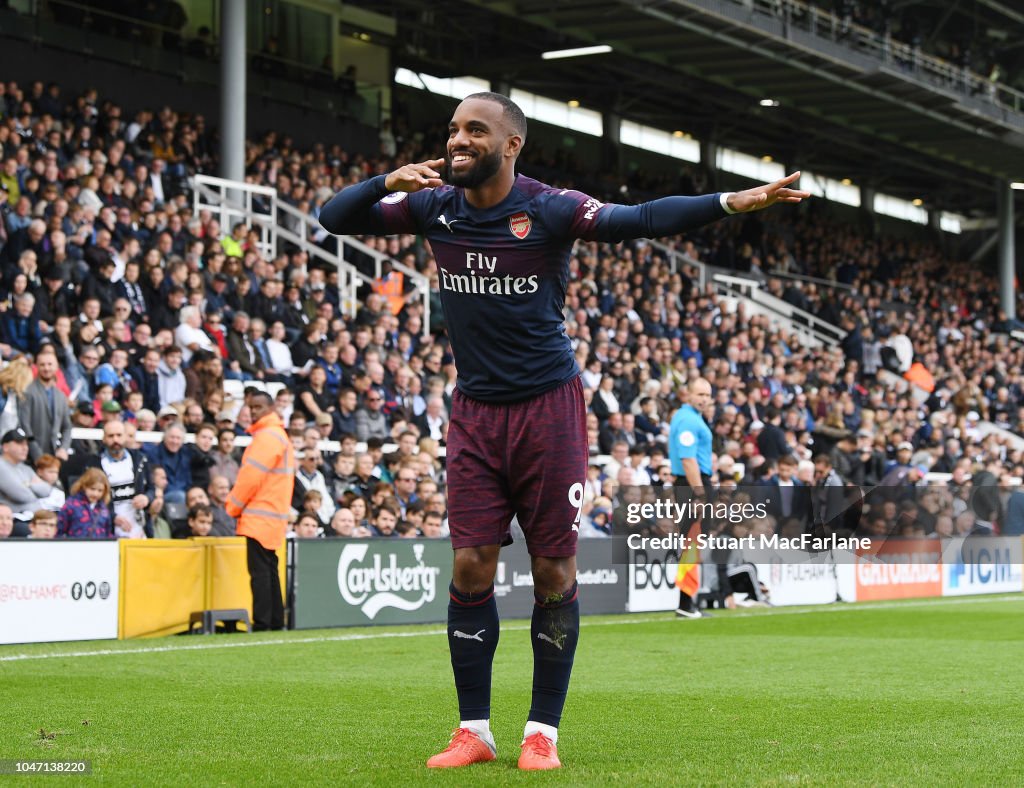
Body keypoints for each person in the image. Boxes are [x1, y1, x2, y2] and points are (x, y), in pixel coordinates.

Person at [318, 91, 809, 770]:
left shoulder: (548, 208)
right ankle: (474, 732)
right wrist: (383, 181)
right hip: (475, 412)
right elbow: (331, 219)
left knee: (552, 569)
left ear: (511, 144)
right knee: (469, 563)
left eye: (474, 131)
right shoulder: (433, 204)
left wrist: (733, 202)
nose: (457, 140)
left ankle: (541, 733)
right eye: (453, 129)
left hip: (549, 411)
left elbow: (639, 218)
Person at [225, 391, 295, 631]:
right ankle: (275, 621)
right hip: (272, 514)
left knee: (260, 572)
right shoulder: (279, 435)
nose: (252, 411)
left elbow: (250, 477)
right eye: (250, 407)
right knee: (269, 569)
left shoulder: (267, 436)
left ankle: (263, 622)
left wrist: (233, 506)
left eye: (257, 407)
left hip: (259, 514)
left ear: (270, 407)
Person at [668, 378, 714, 619]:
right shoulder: (687, 419)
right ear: (687, 394)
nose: (704, 399)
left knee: (693, 543)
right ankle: (686, 603)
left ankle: (688, 600)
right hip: (692, 484)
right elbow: (688, 459)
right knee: (692, 542)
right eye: (700, 394)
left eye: (707, 395)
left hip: (691, 482)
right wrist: (699, 492)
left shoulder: (691, 417)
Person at [57, 467, 113, 538]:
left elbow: (107, 533)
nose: (95, 494)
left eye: (100, 490)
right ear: (84, 486)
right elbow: (59, 530)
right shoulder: (71, 505)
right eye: (92, 489)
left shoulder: (103, 509)